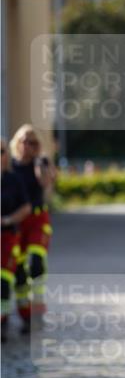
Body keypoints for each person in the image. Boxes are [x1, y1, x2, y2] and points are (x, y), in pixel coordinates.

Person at [9, 125, 56, 332]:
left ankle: (38, 309)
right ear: (16, 143)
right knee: (18, 272)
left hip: (37, 219)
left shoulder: (41, 162)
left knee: (37, 265)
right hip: (18, 222)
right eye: (24, 141)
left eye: (33, 143)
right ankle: (25, 314)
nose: (27, 146)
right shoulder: (9, 166)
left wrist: (40, 163)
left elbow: (46, 183)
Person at [1, 138, 31, 342]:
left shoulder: (13, 179)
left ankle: (9, 321)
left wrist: (8, 219)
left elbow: (26, 207)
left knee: (6, 280)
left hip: (9, 236)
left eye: (1, 151)